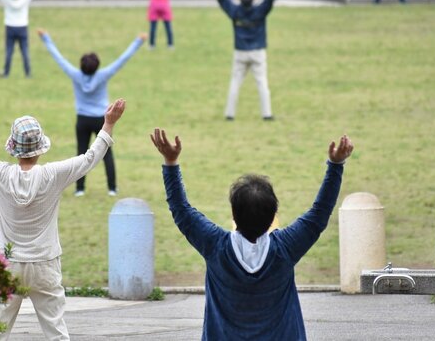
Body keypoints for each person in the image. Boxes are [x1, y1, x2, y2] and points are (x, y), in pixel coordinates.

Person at [0, 98, 127, 340]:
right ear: (40, 148)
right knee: (57, 333)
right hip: (45, 264)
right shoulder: (53, 175)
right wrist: (108, 124)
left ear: (14, 147)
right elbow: (90, 158)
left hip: (9, 265)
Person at [150, 128, 354, 340]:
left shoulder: (216, 246)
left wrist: (170, 161)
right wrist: (336, 165)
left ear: (233, 214)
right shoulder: (285, 248)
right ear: (274, 215)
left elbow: (181, 210)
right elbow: (319, 213)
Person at [38, 29, 145, 197]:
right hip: (102, 119)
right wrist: (138, 42)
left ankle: (80, 189)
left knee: (81, 153)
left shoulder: (75, 75)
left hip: (82, 120)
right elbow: (122, 60)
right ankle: (112, 188)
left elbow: (59, 58)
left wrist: (45, 38)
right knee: (107, 153)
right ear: (97, 67)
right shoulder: (103, 75)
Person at [212, 0, 276, 121]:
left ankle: (229, 114)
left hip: (240, 51)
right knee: (262, 83)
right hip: (258, 51)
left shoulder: (235, 12)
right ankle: (267, 114)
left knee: (235, 82)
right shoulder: (259, 12)